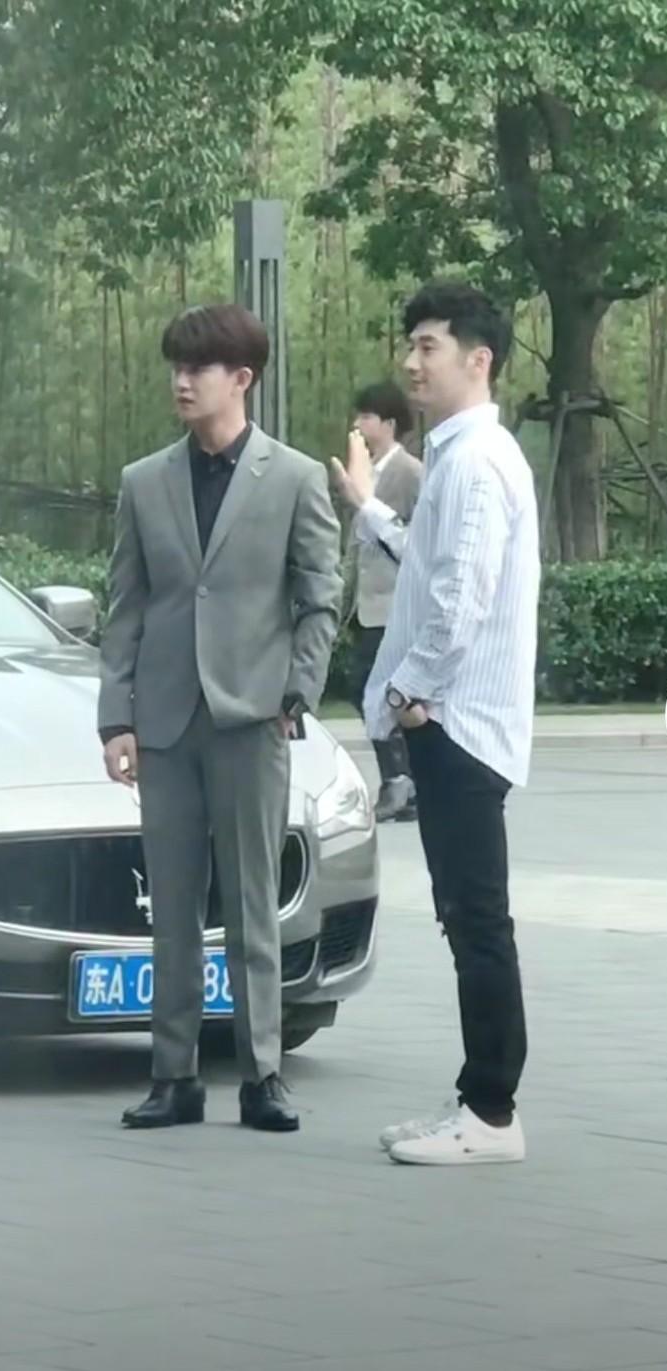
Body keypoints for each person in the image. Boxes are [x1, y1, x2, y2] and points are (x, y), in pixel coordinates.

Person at [98, 303, 342, 1134]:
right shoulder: (143, 481)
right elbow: (125, 607)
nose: (181, 380)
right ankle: (173, 1075)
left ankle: (262, 1073)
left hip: (252, 719)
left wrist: (294, 692)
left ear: (241, 378)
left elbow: (320, 597)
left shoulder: (295, 478)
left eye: (196, 368)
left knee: (250, 902)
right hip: (165, 722)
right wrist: (115, 718)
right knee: (171, 906)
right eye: (175, 366)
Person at [341, 281, 540, 1165]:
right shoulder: (462, 455)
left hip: (457, 723)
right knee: (466, 916)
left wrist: (407, 693)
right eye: (410, 345)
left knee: (476, 918)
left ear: (477, 358)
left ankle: (490, 1114)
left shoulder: (475, 460)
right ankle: (476, 1100)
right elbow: (430, 562)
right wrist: (368, 508)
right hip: (451, 719)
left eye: (428, 346)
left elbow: (460, 596)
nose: (410, 362)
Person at [332, 382, 422, 822]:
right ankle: (404, 780)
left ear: (388, 424)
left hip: (394, 606)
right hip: (364, 607)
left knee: (380, 691)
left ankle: (401, 780)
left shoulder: (411, 473)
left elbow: (416, 544)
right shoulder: (362, 472)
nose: (358, 425)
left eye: (366, 417)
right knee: (368, 690)